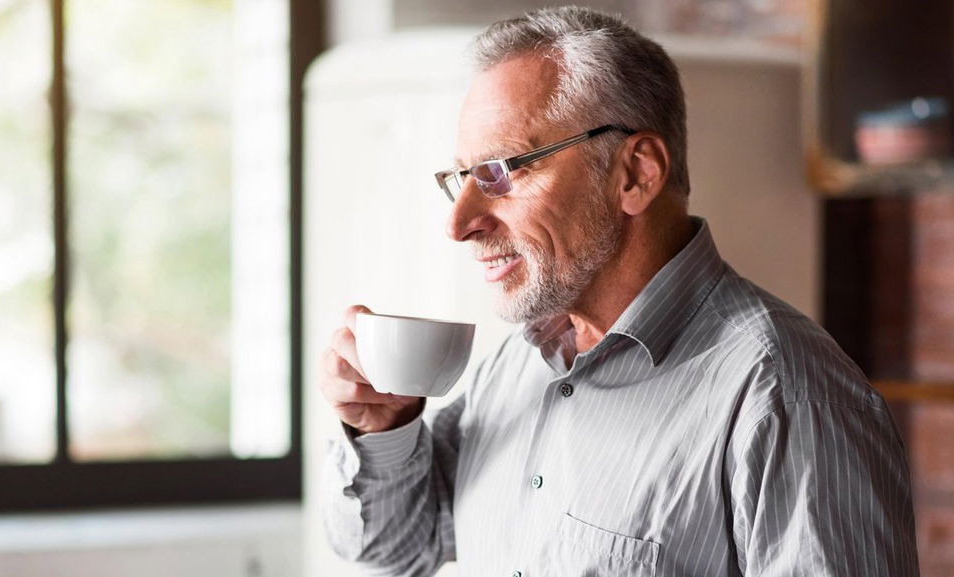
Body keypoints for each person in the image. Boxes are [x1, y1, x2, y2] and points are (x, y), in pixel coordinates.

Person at [317, 6, 919, 576]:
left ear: (636, 174)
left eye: (501, 171)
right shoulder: (516, 366)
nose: (460, 222)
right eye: (462, 178)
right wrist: (385, 428)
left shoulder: (785, 393)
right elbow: (396, 548)